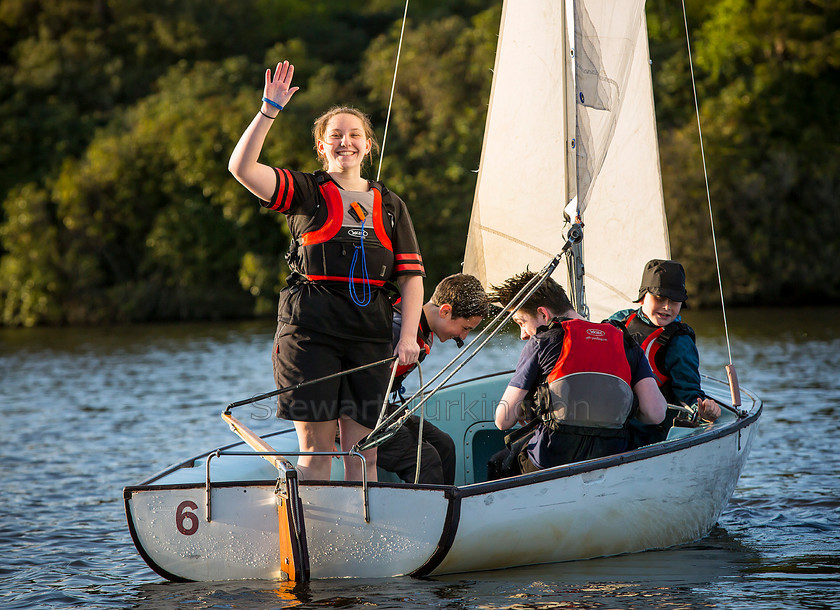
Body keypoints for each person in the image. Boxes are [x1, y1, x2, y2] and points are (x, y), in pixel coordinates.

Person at [228, 61, 425, 482]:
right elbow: (241, 169)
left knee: (362, 456)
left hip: (368, 334)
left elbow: (411, 277)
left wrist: (408, 337)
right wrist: (268, 111)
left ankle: (360, 536)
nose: (345, 142)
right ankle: (312, 537)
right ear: (322, 147)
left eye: (354, 135)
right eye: (335, 135)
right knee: (317, 452)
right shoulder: (306, 192)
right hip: (310, 333)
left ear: (368, 146)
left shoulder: (392, 206)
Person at [488, 271, 666, 478]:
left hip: (550, 459)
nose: (523, 334)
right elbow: (655, 414)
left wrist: (525, 409)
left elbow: (503, 420)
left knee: (499, 462)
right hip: (610, 458)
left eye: (521, 323)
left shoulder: (541, 342)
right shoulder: (626, 342)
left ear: (543, 314)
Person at [377, 273, 490, 485]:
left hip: (379, 409)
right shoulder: (396, 330)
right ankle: (428, 517)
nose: (463, 337)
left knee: (444, 444)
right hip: (355, 415)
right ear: (445, 311)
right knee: (426, 460)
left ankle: (446, 508)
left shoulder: (424, 331)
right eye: (465, 329)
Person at [609, 259, 721, 447]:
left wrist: (703, 413)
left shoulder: (680, 341)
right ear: (644, 296)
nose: (667, 307)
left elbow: (689, 395)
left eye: (674, 301)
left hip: (649, 437)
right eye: (660, 298)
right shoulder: (619, 321)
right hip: (610, 426)